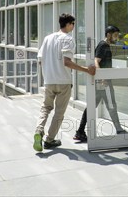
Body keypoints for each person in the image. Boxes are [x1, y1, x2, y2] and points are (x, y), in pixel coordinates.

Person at [33, 14, 96, 152]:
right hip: (63, 82)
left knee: (45, 108)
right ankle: (49, 140)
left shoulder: (48, 38)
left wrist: (50, 69)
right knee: (59, 113)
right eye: (73, 23)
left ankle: (39, 131)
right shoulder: (68, 39)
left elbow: (39, 60)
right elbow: (66, 62)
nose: (73, 26)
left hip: (49, 81)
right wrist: (86, 69)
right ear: (68, 24)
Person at [74, 25, 125, 142]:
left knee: (92, 106)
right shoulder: (103, 45)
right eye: (115, 35)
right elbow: (96, 60)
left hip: (102, 81)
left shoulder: (105, 45)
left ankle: (80, 131)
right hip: (104, 82)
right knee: (111, 105)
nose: (116, 38)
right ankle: (119, 130)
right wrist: (102, 77)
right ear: (108, 34)